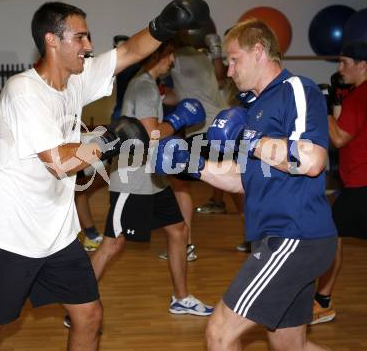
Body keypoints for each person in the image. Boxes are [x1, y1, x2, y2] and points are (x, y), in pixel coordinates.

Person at [0, 0, 211, 351]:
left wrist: (164, 25)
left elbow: (131, 51)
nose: (89, 45)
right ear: (52, 40)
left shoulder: (75, 81)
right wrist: (114, 138)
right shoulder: (24, 91)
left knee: (89, 315)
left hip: (56, 234)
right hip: (7, 235)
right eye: (81, 37)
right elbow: (60, 163)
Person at [154, 18, 337, 350]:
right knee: (288, 346)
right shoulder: (253, 109)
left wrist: (247, 139)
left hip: (294, 236)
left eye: (234, 59)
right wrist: (191, 165)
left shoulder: (295, 90)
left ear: (259, 51)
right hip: (278, 236)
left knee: (220, 334)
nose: (228, 71)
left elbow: (312, 161)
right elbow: (242, 178)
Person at [64, 42, 213, 328]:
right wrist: (181, 118)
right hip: (133, 181)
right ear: (158, 56)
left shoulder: (148, 85)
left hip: (153, 178)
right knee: (112, 244)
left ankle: (181, 298)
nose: (173, 60)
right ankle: (77, 307)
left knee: (179, 230)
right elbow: (150, 132)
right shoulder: (143, 87)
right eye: (170, 54)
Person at [157, 30, 229, 262]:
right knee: (236, 180)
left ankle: (185, 245)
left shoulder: (174, 59)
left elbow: (169, 88)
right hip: (225, 123)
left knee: (180, 185)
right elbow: (184, 95)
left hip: (202, 128)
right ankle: (254, 238)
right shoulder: (202, 57)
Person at [311, 40, 367, 325]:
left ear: (363, 65)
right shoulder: (357, 96)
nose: (340, 68)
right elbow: (346, 125)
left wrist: (321, 103)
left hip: (361, 184)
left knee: (330, 236)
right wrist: (334, 100)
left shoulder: (360, 96)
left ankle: (323, 302)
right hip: (358, 183)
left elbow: (338, 138)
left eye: (345, 62)